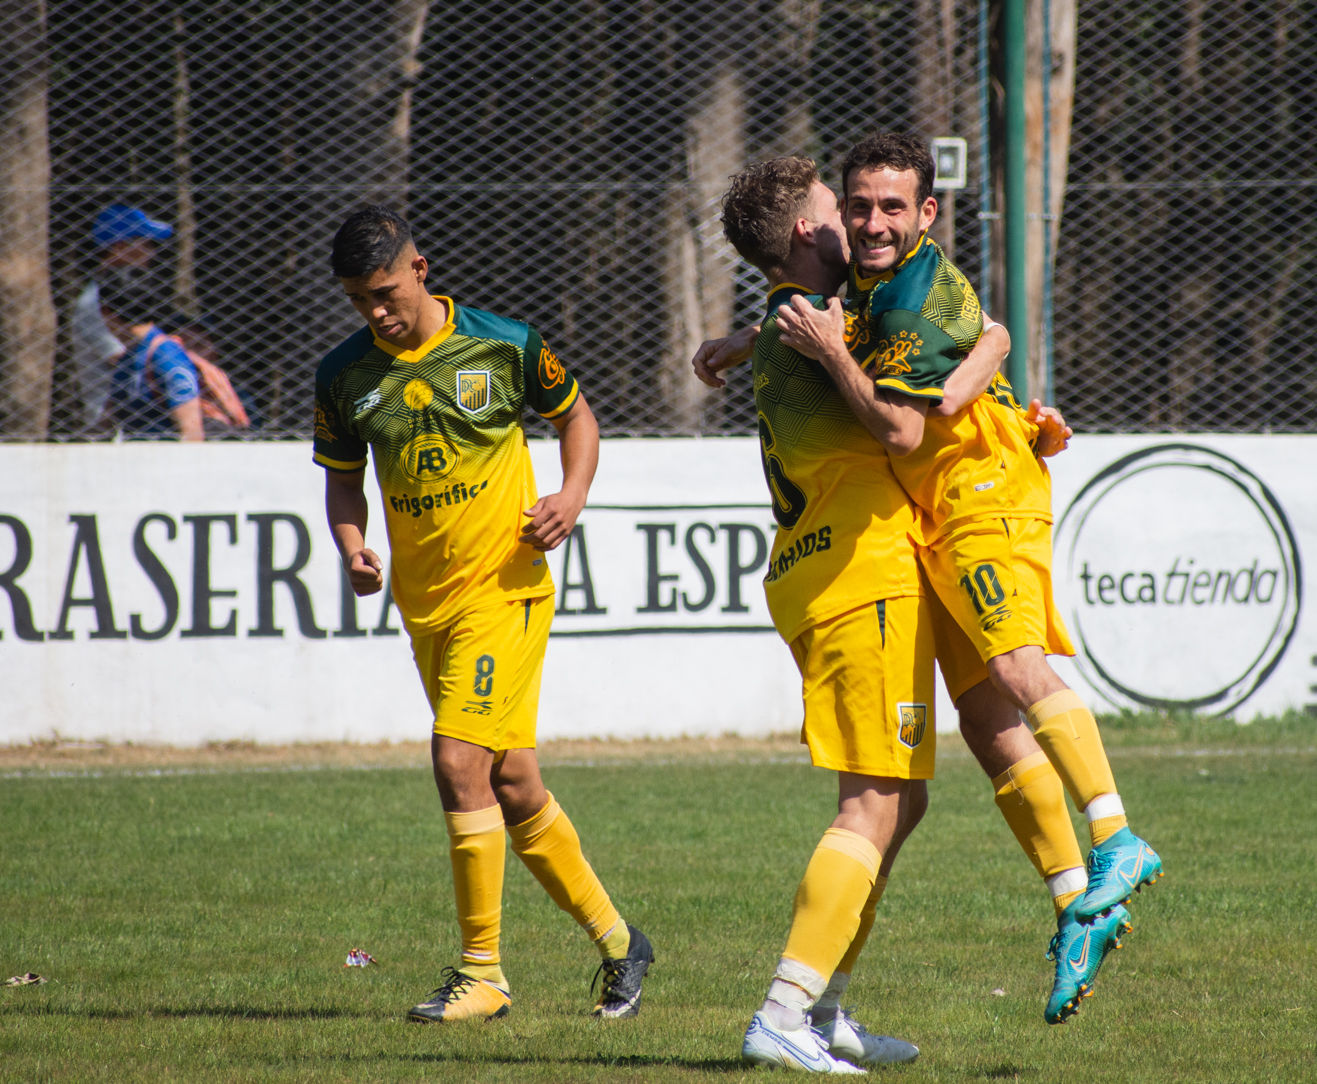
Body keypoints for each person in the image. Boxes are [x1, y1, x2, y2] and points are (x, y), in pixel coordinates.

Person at [772, 132, 1163, 1024]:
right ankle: (1077, 908)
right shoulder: (872, 281)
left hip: (978, 494)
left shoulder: (905, 295)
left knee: (1020, 669)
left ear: (927, 213)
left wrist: (853, 357)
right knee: (987, 721)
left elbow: (921, 417)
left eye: (891, 207)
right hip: (935, 511)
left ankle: (1114, 832)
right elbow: (985, 334)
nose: (871, 223)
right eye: (859, 205)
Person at [709, 157, 1024, 1072]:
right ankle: (782, 1010)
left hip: (822, 574)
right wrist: (992, 341)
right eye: (834, 210)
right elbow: (901, 425)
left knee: (904, 801)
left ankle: (824, 1008)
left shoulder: (792, 319)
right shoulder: (813, 327)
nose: (859, 224)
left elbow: (838, 311)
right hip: (858, 576)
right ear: (810, 233)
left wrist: (733, 342)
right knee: (873, 801)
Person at [313, 205, 652, 1023]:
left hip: (504, 590)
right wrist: (352, 544)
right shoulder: (345, 376)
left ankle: (483, 974)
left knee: (457, 761)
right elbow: (342, 476)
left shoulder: (502, 344)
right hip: (423, 606)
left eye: (386, 292)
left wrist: (569, 496)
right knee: (511, 780)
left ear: (420, 269)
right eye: (360, 300)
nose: (377, 313)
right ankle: (619, 943)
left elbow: (576, 417)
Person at [74, 204, 174, 427]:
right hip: (112, 423)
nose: (152, 252)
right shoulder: (93, 303)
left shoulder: (120, 296)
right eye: (146, 243)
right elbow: (123, 359)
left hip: (136, 415)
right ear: (119, 247)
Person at [97, 268, 204, 441]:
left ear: (105, 312)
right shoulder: (128, 358)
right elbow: (106, 423)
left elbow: (192, 433)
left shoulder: (166, 356)